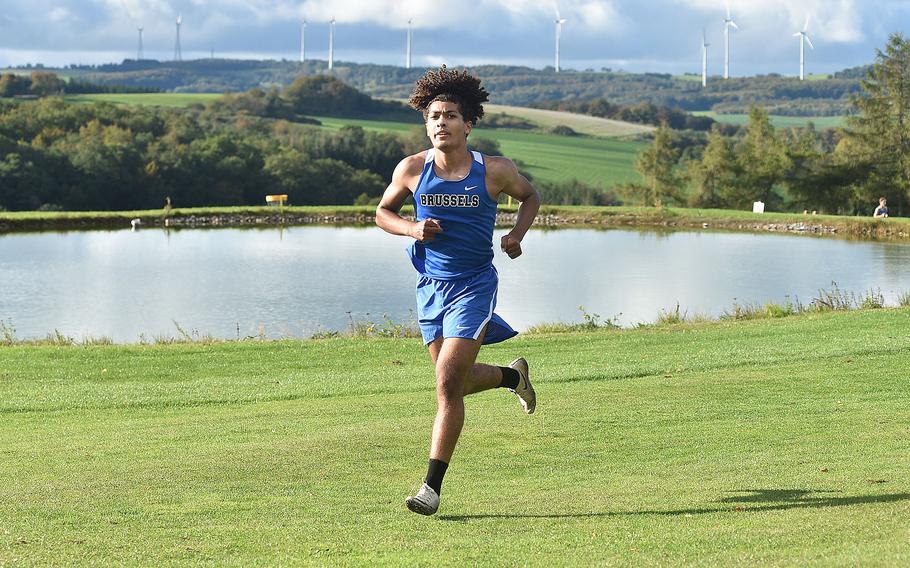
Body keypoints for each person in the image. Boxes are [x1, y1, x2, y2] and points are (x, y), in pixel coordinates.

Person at [375, 65, 541, 516]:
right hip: (430, 287)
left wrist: (516, 235)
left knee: (447, 384)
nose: (440, 123)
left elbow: (530, 197)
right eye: (433, 116)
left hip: (474, 285)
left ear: (468, 124)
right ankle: (513, 377)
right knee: (456, 382)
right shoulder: (411, 169)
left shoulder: (495, 171)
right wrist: (410, 227)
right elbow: (381, 213)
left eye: (449, 115)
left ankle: (430, 488)